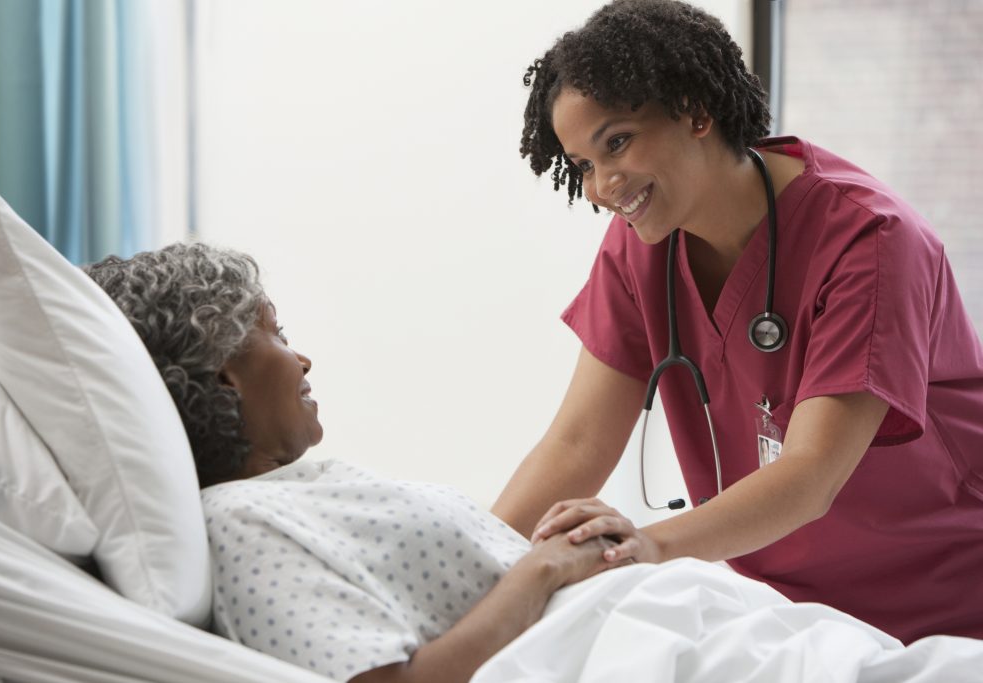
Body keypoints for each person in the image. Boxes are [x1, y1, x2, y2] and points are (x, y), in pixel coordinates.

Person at [491, 0, 983, 645]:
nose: (600, 186)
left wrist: (645, 543)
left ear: (697, 110)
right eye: (583, 164)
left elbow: (809, 475)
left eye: (617, 142)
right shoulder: (639, 246)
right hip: (795, 613)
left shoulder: (870, 239)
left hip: (948, 601)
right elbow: (577, 444)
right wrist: (478, 562)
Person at [85, 242, 626, 683]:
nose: (301, 358)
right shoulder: (239, 525)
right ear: (224, 371)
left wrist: (576, 546)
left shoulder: (293, 493)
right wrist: (546, 567)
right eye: (275, 333)